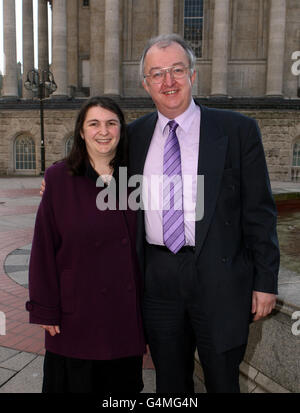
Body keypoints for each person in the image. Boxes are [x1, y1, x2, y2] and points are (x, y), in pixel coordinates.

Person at [126, 34, 280, 393]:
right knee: (170, 383)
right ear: (145, 83)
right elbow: (98, 177)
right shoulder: (133, 137)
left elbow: (260, 212)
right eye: (158, 73)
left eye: (177, 70)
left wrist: (265, 281)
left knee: (223, 381)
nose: (169, 82)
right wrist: (57, 181)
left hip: (220, 278)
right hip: (158, 279)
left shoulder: (238, 130)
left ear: (193, 76)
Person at [26, 96, 145, 393]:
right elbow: (43, 249)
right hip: (75, 313)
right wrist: (44, 308)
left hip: (123, 314)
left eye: (111, 123)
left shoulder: (138, 179)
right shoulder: (59, 178)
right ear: (81, 131)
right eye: (94, 123)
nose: (103, 131)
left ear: (121, 129)